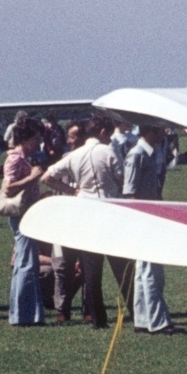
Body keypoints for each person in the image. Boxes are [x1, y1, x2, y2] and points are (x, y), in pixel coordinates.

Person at [42, 113, 127, 328]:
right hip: (109, 212)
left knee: (91, 273)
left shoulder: (74, 155)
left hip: (86, 214)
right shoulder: (108, 151)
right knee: (122, 267)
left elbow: (47, 177)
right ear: (103, 132)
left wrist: (71, 190)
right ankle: (137, 312)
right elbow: (122, 179)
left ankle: (97, 319)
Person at [123, 124, 180, 334]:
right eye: (158, 131)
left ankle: (143, 319)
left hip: (150, 215)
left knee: (143, 270)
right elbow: (131, 191)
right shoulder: (136, 155)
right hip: (144, 218)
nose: (163, 134)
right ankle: (158, 322)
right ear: (148, 132)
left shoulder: (151, 154)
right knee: (151, 272)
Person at [1, 119, 46, 326]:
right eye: (36, 139)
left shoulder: (24, 158)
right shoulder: (15, 159)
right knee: (26, 263)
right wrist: (33, 177)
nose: (38, 143)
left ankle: (28, 313)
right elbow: (9, 188)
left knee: (28, 262)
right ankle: (22, 315)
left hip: (29, 212)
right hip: (21, 215)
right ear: (26, 139)